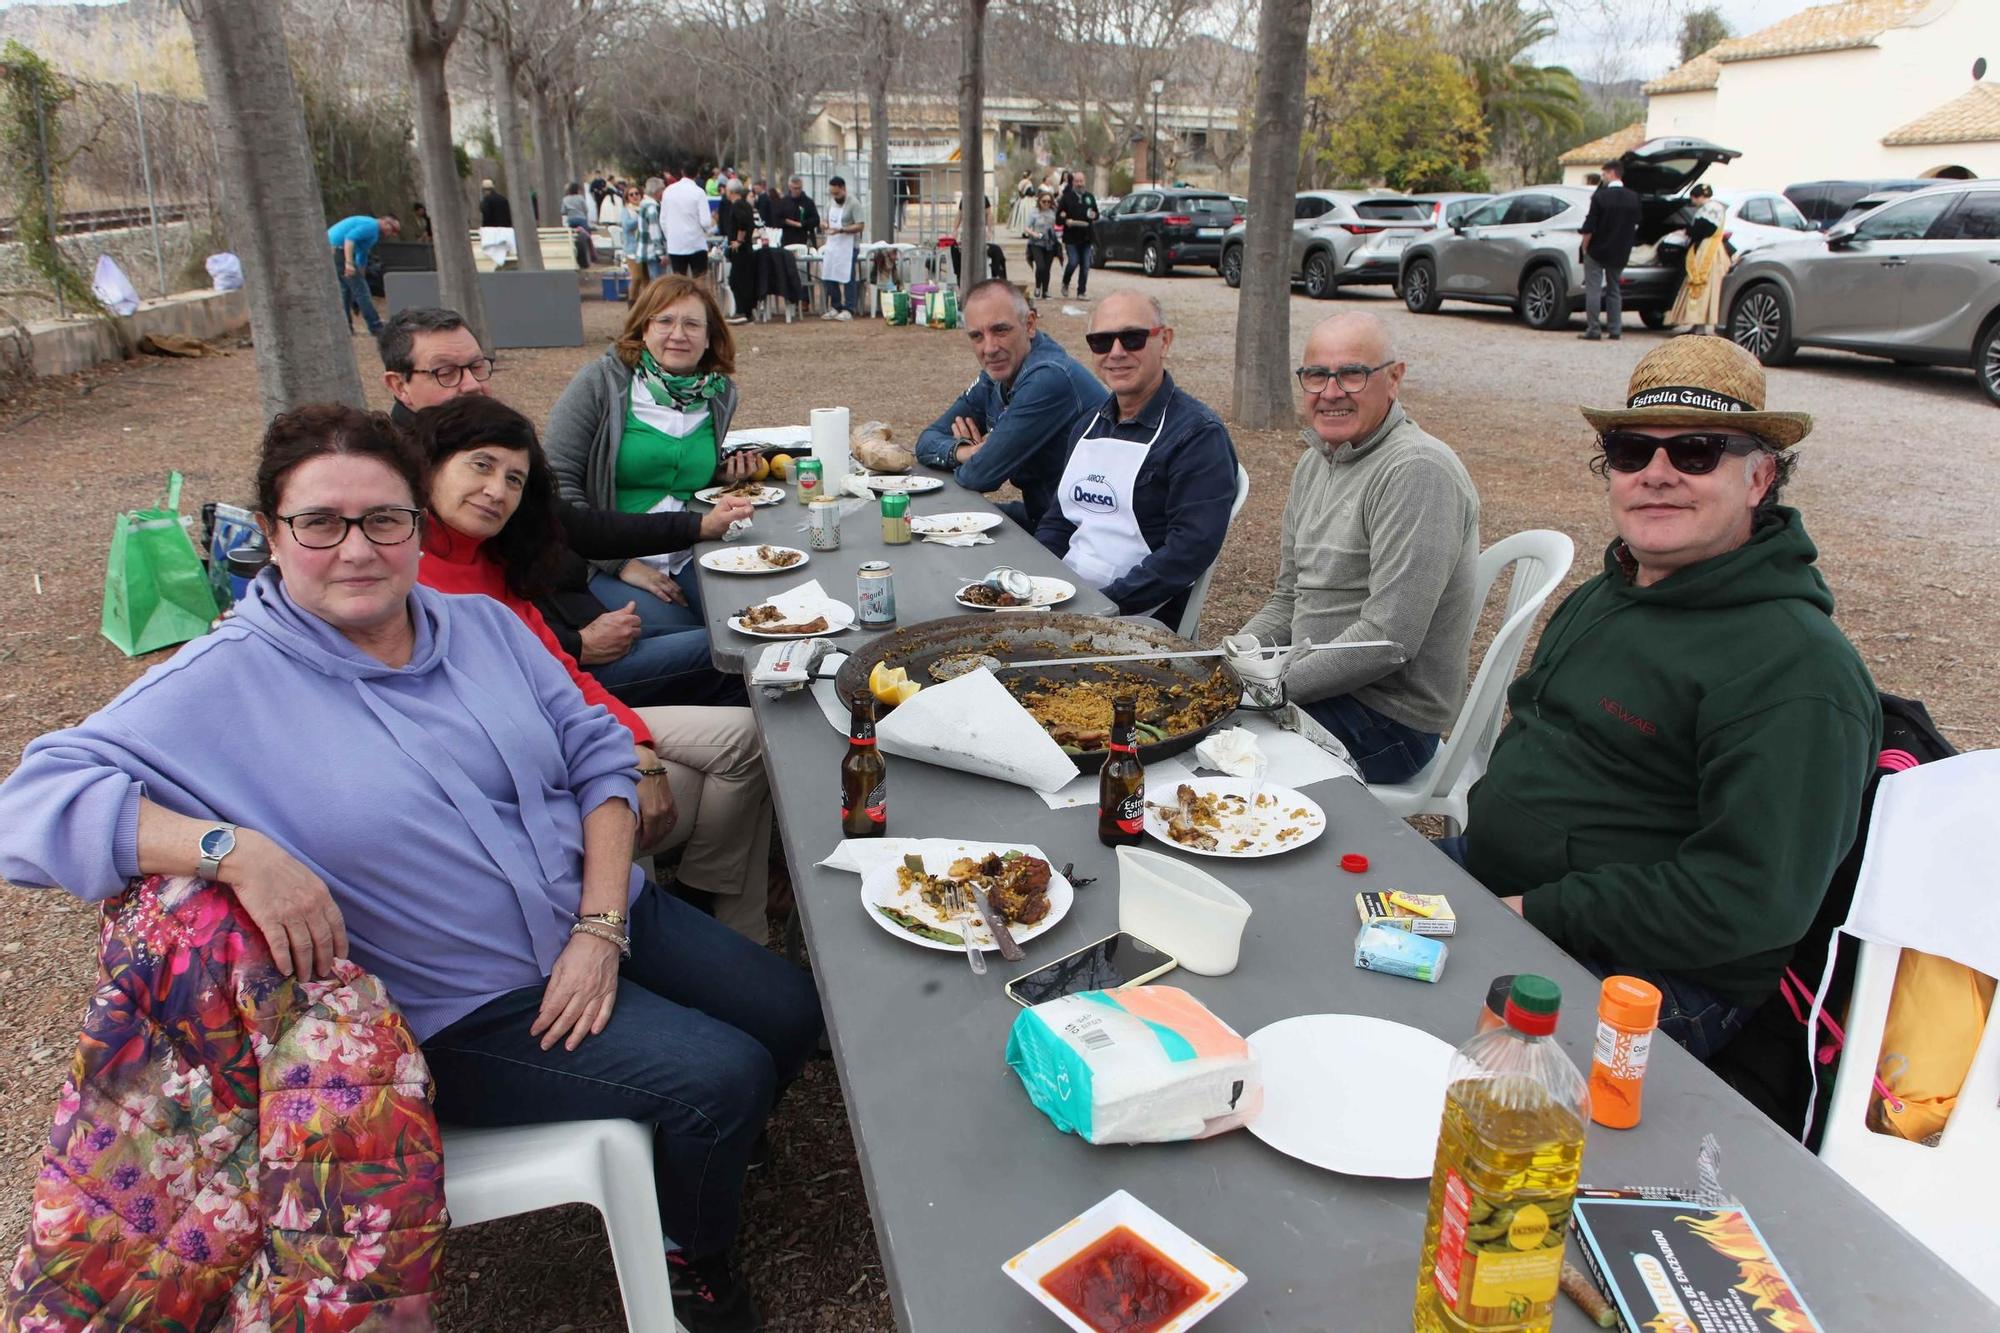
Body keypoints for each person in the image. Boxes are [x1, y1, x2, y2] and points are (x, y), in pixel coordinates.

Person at [0, 404, 820, 1333]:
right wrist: (228, 848)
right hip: (469, 1003)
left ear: (416, 527)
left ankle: (702, 1154)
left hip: (604, 908)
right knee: (719, 1079)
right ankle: (693, 1254)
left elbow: (596, 750)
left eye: (384, 519)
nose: (356, 547)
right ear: (273, 533)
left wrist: (601, 925)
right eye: (320, 523)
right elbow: (24, 810)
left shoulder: (482, 627)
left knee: (791, 1013)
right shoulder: (216, 682)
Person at [1461, 337, 1878, 1062]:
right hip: (1499, 885)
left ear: (1759, 478)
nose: (1657, 474)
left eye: (1695, 451)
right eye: (1631, 452)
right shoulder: (1612, 588)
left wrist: (1533, 910)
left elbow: (1748, 900)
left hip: (1644, 978)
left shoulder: (1798, 670)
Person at [413, 396, 774, 934]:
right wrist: (623, 759)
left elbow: (559, 672)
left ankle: (710, 903)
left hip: (576, 712)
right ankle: (705, 926)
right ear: (428, 466)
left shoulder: (493, 556)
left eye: (514, 479)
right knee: (741, 656)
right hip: (535, 755)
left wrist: (638, 745)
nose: (497, 490)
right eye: (481, 466)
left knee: (751, 732)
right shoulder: (406, 574)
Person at [374, 307, 751, 708]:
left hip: (578, 626)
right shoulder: (397, 489)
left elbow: (572, 525)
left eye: (477, 367)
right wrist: (577, 644)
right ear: (399, 386)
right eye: (446, 373)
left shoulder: (478, 438)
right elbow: (469, 623)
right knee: (739, 653)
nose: (470, 385)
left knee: (734, 641)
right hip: (554, 671)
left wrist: (698, 527)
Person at [1236, 313, 1480, 784]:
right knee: (1186, 718)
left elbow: (1387, 640)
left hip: (1387, 720)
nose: (1330, 392)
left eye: (1352, 373)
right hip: (1318, 689)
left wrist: (1262, 690)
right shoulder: (1315, 461)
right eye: (1316, 375)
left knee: (1211, 753)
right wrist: (1230, 661)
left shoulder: (1417, 470)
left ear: (1394, 378)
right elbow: (1289, 598)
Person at [544, 275, 761, 665]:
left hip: (687, 549)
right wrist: (622, 564)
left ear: (710, 337)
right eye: (664, 321)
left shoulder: (719, 394)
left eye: (692, 324)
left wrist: (720, 475)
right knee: (698, 644)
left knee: (748, 619)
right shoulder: (600, 383)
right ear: (643, 328)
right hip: (607, 559)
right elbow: (556, 487)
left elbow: (674, 475)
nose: (678, 334)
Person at [1036, 292, 1238, 626]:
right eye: (1101, 342)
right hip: (1063, 599)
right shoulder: (1087, 425)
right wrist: (1037, 586)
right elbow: (1058, 523)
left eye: (1132, 338)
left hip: (1138, 620)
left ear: (1165, 340)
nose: (1116, 352)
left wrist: (1102, 608)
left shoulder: (1198, 436)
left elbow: (1186, 554)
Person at [915, 280, 1105, 529]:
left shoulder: (1049, 377)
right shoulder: (997, 375)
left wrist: (978, 460)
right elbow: (926, 441)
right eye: (977, 336)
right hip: (1047, 516)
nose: (990, 348)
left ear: (1030, 325)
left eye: (1001, 330)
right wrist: (964, 451)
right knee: (929, 517)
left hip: (1080, 533)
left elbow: (980, 476)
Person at [1578, 158, 1641, 341]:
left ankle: (1594, 329)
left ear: (1612, 173)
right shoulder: (1633, 197)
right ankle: (1615, 329)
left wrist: (1585, 247)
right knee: (1614, 290)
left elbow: (1590, 226)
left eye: (1604, 174)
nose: (1602, 177)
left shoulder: (1600, 197)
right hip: (1620, 251)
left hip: (1597, 250)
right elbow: (1636, 225)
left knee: (1594, 290)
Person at [1669, 183, 1731, 336]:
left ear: (1697, 197)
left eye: (1693, 198)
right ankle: (1698, 325)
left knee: (1701, 285)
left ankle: (1700, 326)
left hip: (1707, 250)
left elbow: (1703, 230)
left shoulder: (1708, 209)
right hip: (1713, 248)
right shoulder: (1717, 207)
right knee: (1707, 287)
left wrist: (1687, 232)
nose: (1693, 202)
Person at [327, 212, 399, 336]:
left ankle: (345, 327)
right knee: (362, 292)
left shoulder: (373, 234)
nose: (392, 234)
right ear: (386, 222)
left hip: (333, 250)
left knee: (346, 291)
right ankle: (375, 326)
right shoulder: (371, 226)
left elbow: (362, 254)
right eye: (393, 230)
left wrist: (362, 273)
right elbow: (349, 239)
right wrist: (349, 263)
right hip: (338, 250)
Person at [819, 175, 864, 320]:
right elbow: (824, 219)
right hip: (832, 245)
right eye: (832, 193)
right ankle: (836, 306)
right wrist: (824, 224)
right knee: (829, 275)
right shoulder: (830, 203)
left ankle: (849, 308)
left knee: (847, 276)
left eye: (837, 193)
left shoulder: (854, 204)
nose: (835, 196)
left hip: (849, 246)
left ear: (843, 189)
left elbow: (860, 225)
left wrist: (842, 230)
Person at [664, 160, 715, 278]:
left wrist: (670, 235)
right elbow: (705, 222)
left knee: (679, 282)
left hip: (675, 244)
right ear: (697, 174)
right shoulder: (699, 193)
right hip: (696, 243)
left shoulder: (668, 191)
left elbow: (663, 219)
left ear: (682, 172)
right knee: (699, 281)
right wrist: (707, 230)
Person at [720, 179, 759, 325]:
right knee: (743, 281)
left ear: (730, 192)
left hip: (741, 250)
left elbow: (742, 223)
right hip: (746, 249)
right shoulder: (746, 205)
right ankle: (747, 312)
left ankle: (741, 311)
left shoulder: (737, 206)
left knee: (737, 281)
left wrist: (739, 241)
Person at [1056, 170, 1099, 300]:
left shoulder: (1089, 197)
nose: (1079, 184)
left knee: (1085, 266)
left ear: (1084, 182)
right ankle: (1065, 282)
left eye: (1081, 181)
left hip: (1086, 236)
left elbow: (1096, 213)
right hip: (1071, 237)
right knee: (1073, 262)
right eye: (1077, 181)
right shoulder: (1067, 198)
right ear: (1073, 182)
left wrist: (1094, 215)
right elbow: (1058, 218)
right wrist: (1065, 220)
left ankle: (1081, 292)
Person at [1025, 187, 1061, 300]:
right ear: (1039, 201)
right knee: (1040, 267)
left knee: (1047, 268)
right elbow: (1026, 227)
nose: (1046, 203)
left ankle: (1045, 291)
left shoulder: (1053, 213)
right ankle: (1037, 287)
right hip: (1036, 243)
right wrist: (1034, 233)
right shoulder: (1034, 213)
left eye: (1049, 201)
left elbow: (1059, 225)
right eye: (1044, 201)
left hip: (1050, 243)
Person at [633, 176, 668, 285]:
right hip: (653, 252)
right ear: (657, 191)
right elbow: (655, 232)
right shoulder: (652, 208)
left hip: (645, 250)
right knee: (659, 283)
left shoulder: (644, 205)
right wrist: (661, 254)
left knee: (652, 282)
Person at [560, 180, 598, 267]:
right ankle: (591, 258)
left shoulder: (565, 199)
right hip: (581, 219)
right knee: (587, 238)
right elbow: (586, 209)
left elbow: (563, 211)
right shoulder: (580, 198)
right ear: (577, 189)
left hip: (571, 220)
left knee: (573, 239)